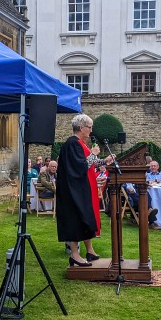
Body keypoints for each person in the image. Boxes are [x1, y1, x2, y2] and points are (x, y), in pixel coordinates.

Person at [56, 114, 114, 266]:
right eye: (89, 127)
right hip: (74, 190)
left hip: (83, 188)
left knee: (86, 218)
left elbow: (90, 163)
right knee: (76, 219)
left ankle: (90, 250)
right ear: (81, 128)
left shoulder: (80, 144)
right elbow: (80, 166)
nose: (91, 130)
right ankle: (75, 254)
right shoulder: (72, 144)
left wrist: (104, 160)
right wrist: (94, 154)